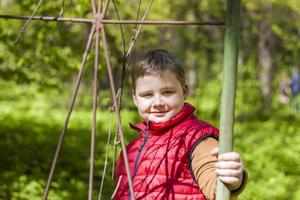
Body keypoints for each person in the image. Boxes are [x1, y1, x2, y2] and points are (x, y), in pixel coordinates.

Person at [114, 49, 247, 200]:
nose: (157, 103)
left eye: (167, 92)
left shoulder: (198, 138)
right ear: (135, 98)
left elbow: (215, 186)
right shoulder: (131, 149)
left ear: (184, 91)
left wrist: (230, 182)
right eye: (147, 95)